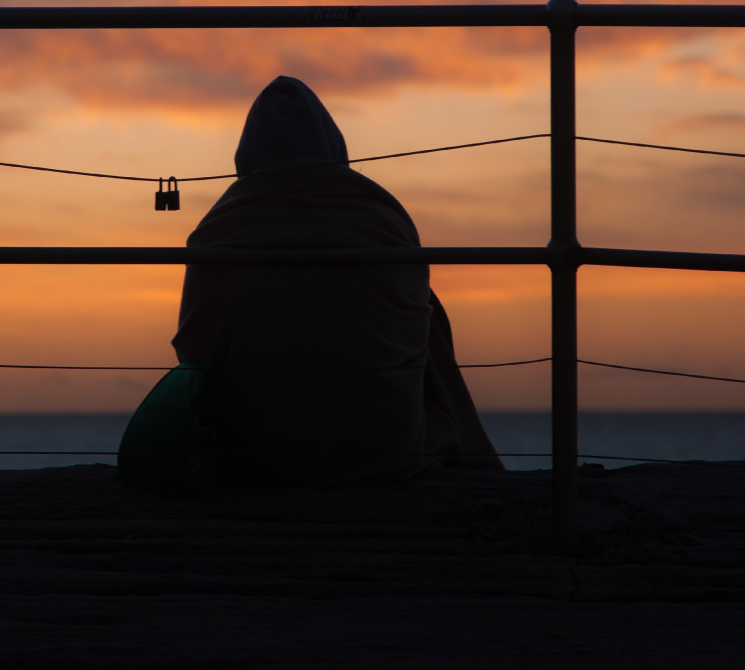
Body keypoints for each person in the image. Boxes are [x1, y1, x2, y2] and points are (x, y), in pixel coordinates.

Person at [163, 75, 502, 488]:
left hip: (253, 456)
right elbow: (408, 336)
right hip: (382, 451)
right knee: (425, 310)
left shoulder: (216, 233)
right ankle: (469, 449)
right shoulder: (380, 218)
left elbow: (194, 350)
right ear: (334, 146)